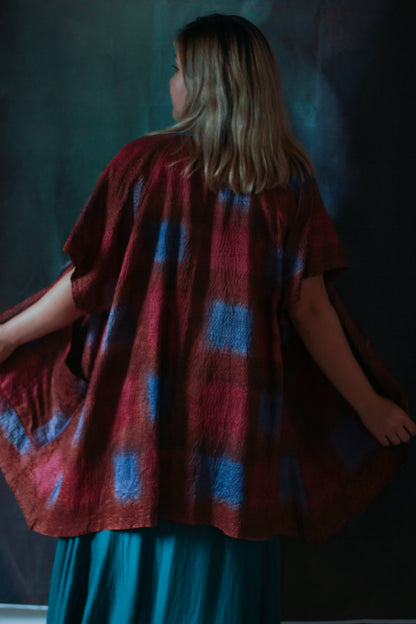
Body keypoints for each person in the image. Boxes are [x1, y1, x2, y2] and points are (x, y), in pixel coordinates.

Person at [0, 12, 414, 624]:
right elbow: (312, 309)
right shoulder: (288, 184)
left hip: (134, 432)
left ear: (205, 83)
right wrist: (366, 404)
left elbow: (87, 287)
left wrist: (6, 336)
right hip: (235, 444)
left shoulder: (142, 167)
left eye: (177, 69)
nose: (171, 82)